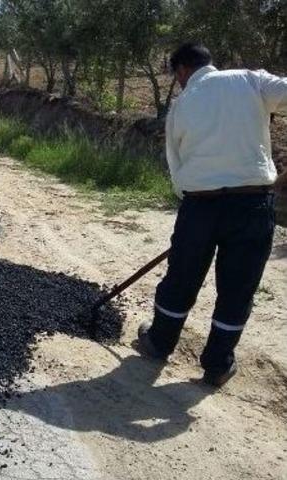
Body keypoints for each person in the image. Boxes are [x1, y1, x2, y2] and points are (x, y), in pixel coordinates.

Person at [136, 43, 287, 387]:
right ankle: (218, 364)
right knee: (237, 288)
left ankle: (159, 342)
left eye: (176, 76)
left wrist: (195, 211)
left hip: (200, 205)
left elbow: (177, 168)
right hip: (252, 205)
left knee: (182, 277)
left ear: (182, 70)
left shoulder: (181, 106)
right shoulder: (250, 80)